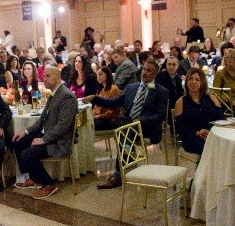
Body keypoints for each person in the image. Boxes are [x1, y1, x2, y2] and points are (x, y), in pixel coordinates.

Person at [86, 61, 168, 189]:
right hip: (128, 126)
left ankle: (119, 174)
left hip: (147, 128)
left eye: (149, 70)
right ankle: (127, 160)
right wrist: (95, 98)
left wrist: (141, 120)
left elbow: (160, 116)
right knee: (124, 124)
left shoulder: (161, 91)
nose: (145, 72)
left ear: (155, 74)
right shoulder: (132, 87)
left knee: (124, 131)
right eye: (144, 69)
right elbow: (114, 102)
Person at [12, 67, 78, 199]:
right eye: (44, 76)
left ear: (58, 78)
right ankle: (33, 177)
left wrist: (44, 139)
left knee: (28, 154)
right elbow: (42, 120)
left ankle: (48, 184)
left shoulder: (67, 96)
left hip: (59, 142)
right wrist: (25, 131)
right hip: (48, 135)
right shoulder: (54, 94)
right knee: (18, 141)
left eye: (49, 76)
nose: (44, 79)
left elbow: (63, 126)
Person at [174, 68, 224, 155]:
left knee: (223, 145)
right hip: (192, 138)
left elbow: (221, 119)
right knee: (208, 147)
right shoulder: (180, 102)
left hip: (212, 135)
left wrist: (209, 131)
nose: (193, 82)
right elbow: (180, 127)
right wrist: (196, 133)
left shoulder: (212, 98)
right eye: (190, 79)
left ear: (202, 82)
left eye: (197, 79)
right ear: (186, 82)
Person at [93, 66, 122, 131]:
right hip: (101, 118)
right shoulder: (101, 90)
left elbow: (113, 111)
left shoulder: (114, 89)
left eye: (100, 74)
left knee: (91, 125)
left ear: (107, 75)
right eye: (97, 75)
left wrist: (97, 117)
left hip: (111, 120)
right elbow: (96, 107)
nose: (98, 77)